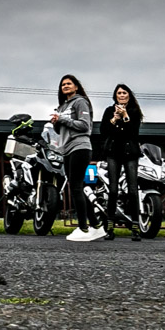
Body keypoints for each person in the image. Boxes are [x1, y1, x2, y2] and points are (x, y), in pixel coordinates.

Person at [50, 74, 102, 243]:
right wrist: (56, 123)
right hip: (66, 149)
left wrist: (63, 119)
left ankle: (83, 227)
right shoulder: (62, 105)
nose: (65, 86)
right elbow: (61, 131)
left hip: (80, 146)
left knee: (77, 187)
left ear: (76, 86)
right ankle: (96, 226)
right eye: (63, 84)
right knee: (77, 187)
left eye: (68, 83)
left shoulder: (80, 102)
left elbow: (85, 125)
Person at [95, 84, 143, 242]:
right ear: (115, 96)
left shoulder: (135, 112)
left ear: (129, 95)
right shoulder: (109, 111)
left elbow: (132, 132)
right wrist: (115, 118)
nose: (121, 95)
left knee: (132, 189)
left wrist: (125, 116)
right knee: (113, 190)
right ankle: (109, 228)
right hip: (113, 152)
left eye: (124, 92)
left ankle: (135, 227)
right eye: (119, 93)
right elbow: (104, 131)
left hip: (130, 152)